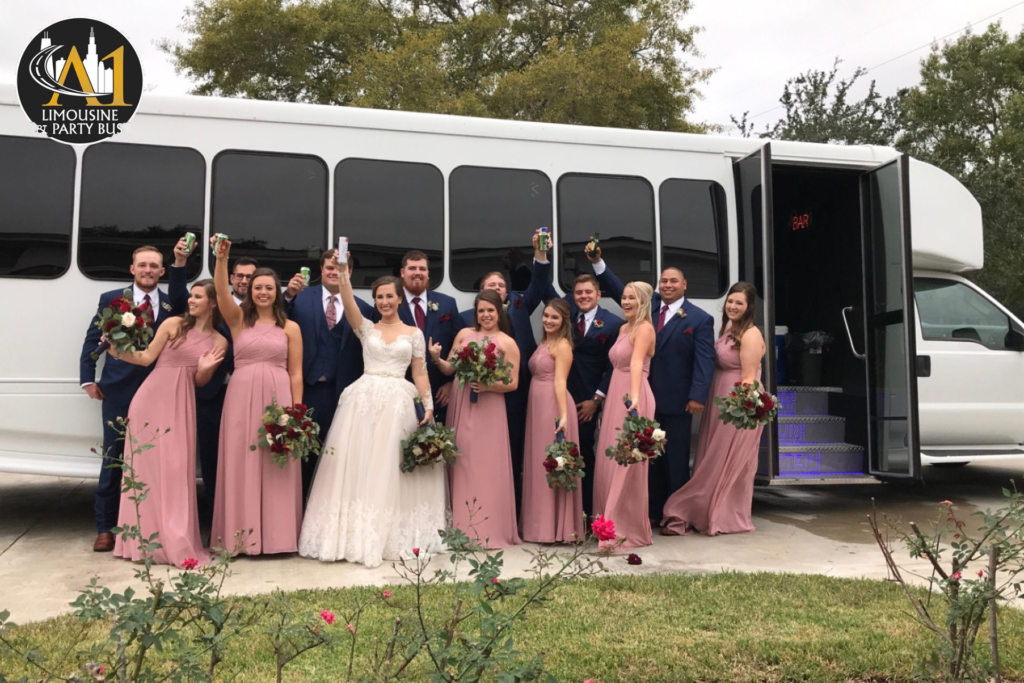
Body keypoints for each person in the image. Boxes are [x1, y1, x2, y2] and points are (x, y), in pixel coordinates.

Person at [299, 259, 446, 567]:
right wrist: (342, 273)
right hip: (363, 401)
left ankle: (390, 534)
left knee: (390, 468)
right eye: (379, 297)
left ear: (399, 298)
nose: (384, 301)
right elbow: (349, 300)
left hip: (399, 403)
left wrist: (429, 405)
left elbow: (419, 373)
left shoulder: (414, 334)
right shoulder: (366, 328)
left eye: (389, 296)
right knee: (359, 466)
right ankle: (353, 534)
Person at [106, 280, 228, 567]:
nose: (192, 300)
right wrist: (116, 350)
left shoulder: (220, 341)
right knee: (145, 469)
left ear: (213, 303)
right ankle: (141, 542)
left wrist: (205, 370)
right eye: (192, 295)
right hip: (151, 398)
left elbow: (200, 382)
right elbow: (147, 357)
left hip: (182, 402)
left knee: (176, 469)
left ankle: (175, 538)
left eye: (198, 297)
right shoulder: (173, 324)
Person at [590, 247, 715, 523]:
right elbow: (622, 289)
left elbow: (705, 360)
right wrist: (598, 263)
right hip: (643, 399)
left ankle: (677, 517)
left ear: (684, 285)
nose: (667, 285)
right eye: (663, 281)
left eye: (673, 281)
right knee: (647, 460)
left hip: (676, 400)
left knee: (675, 460)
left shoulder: (699, 319)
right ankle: (652, 513)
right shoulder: (648, 308)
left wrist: (698, 395)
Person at [80, 245, 187, 553]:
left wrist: (181, 261)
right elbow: (93, 339)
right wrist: (88, 378)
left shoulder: (172, 304)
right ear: (132, 269)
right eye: (143, 265)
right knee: (114, 458)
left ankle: (149, 526)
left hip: (159, 391)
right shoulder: (112, 300)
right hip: (119, 389)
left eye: (154, 266)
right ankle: (105, 528)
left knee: (155, 459)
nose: (148, 270)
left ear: (162, 272)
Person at [210, 237, 304, 556]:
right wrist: (222, 258)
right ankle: (240, 538)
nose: (263, 292)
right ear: (249, 291)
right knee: (242, 461)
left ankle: (278, 538)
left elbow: (296, 372)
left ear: (277, 292)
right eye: (257, 287)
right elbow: (222, 292)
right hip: (241, 397)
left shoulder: (290, 327)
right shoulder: (238, 321)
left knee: (277, 463)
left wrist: (295, 413)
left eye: (269, 287)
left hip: (279, 398)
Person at [459, 231, 555, 513]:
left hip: (516, 389)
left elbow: (538, 282)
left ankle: (511, 509)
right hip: (480, 395)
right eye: (492, 284)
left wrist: (540, 253)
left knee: (513, 448)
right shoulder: (469, 319)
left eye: (502, 284)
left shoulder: (520, 305)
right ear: (481, 291)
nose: (499, 287)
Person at [662, 282, 766, 536]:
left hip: (737, 404)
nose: (732, 306)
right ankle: (705, 509)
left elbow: (750, 377)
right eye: (730, 301)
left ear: (749, 307)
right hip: (720, 397)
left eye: (739, 303)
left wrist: (740, 412)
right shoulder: (730, 328)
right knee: (712, 456)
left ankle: (722, 515)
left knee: (724, 457)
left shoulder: (751, 334)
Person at [167, 246, 256, 522]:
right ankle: (214, 519)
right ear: (230, 279)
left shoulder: (265, 309)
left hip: (249, 394)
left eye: (249, 277)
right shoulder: (214, 306)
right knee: (211, 459)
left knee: (246, 457)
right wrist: (180, 263)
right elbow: (181, 298)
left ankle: (245, 515)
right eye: (239, 276)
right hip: (212, 394)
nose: (244, 281)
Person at [533, 254, 623, 517]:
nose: (582, 296)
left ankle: (585, 512)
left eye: (588, 292)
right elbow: (543, 287)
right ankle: (554, 512)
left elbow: (612, 366)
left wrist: (596, 400)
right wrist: (541, 256)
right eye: (578, 292)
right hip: (555, 397)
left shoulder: (613, 323)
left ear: (598, 294)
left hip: (586, 399)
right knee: (551, 453)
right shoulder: (563, 316)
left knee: (582, 455)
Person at [431, 289, 521, 549]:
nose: (485, 315)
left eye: (490, 310)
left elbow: (513, 382)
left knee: (487, 464)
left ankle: (490, 529)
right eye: (481, 310)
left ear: (499, 312)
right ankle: (459, 527)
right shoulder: (463, 335)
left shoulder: (507, 342)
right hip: (462, 401)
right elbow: (451, 368)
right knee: (462, 461)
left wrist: (489, 385)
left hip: (489, 406)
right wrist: (437, 359)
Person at [283, 250, 375, 499]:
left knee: (337, 457)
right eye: (329, 268)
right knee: (301, 455)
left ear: (350, 272)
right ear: (321, 271)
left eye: (340, 268)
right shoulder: (300, 299)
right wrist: (288, 295)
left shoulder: (364, 307)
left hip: (343, 394)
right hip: (306, 390)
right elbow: (275, 322)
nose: (334, 272)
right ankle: (297, 509)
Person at [592, 282, 657, 551]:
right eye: (624, 297)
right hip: (616, 396)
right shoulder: (623, 328)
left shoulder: (644, 329)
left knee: (625, 463)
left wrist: (634, 400)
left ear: (644, 301)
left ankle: (622, 529)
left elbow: (636, 363)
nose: (626, 302)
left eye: (633, 298)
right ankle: (605, 525)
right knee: (609, 461)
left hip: (633, 396)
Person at [520, 298, 585, 543]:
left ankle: (556, 528)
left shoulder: (563, 346)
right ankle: (539, 526)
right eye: (546, 315)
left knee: (553, 461)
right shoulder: (545, 341)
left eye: (554, 317)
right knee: (539, 463)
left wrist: (564, 416)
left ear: (563, 321)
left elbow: (560, 382)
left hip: (553, 406)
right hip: (537, 406)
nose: (548, 320)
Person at [397, 251, 465, 424]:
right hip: (401, 390)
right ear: (402, 273)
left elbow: (459, 346)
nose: (418, 272)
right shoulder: (391, 303)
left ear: (428, 273)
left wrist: (451, 383)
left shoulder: (448, 303)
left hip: (440, 392)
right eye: (412, 268)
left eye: (422, 268)